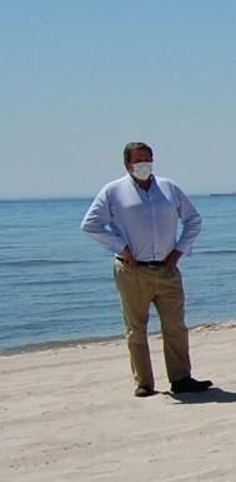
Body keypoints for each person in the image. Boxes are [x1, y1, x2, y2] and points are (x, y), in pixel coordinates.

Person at [80, 142, 212, 398]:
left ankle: (181, 378)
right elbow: (90, 225)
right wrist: (120, 247)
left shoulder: (168, 188)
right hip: (132, 271)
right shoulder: (113, 192)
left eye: (148, 159)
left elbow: (193, 220)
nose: (144, 164)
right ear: (127, 164)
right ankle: (144, 383)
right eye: (139, 160)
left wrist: (179, 251)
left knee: (175, 326)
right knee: (136, 329)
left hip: (167, 269)